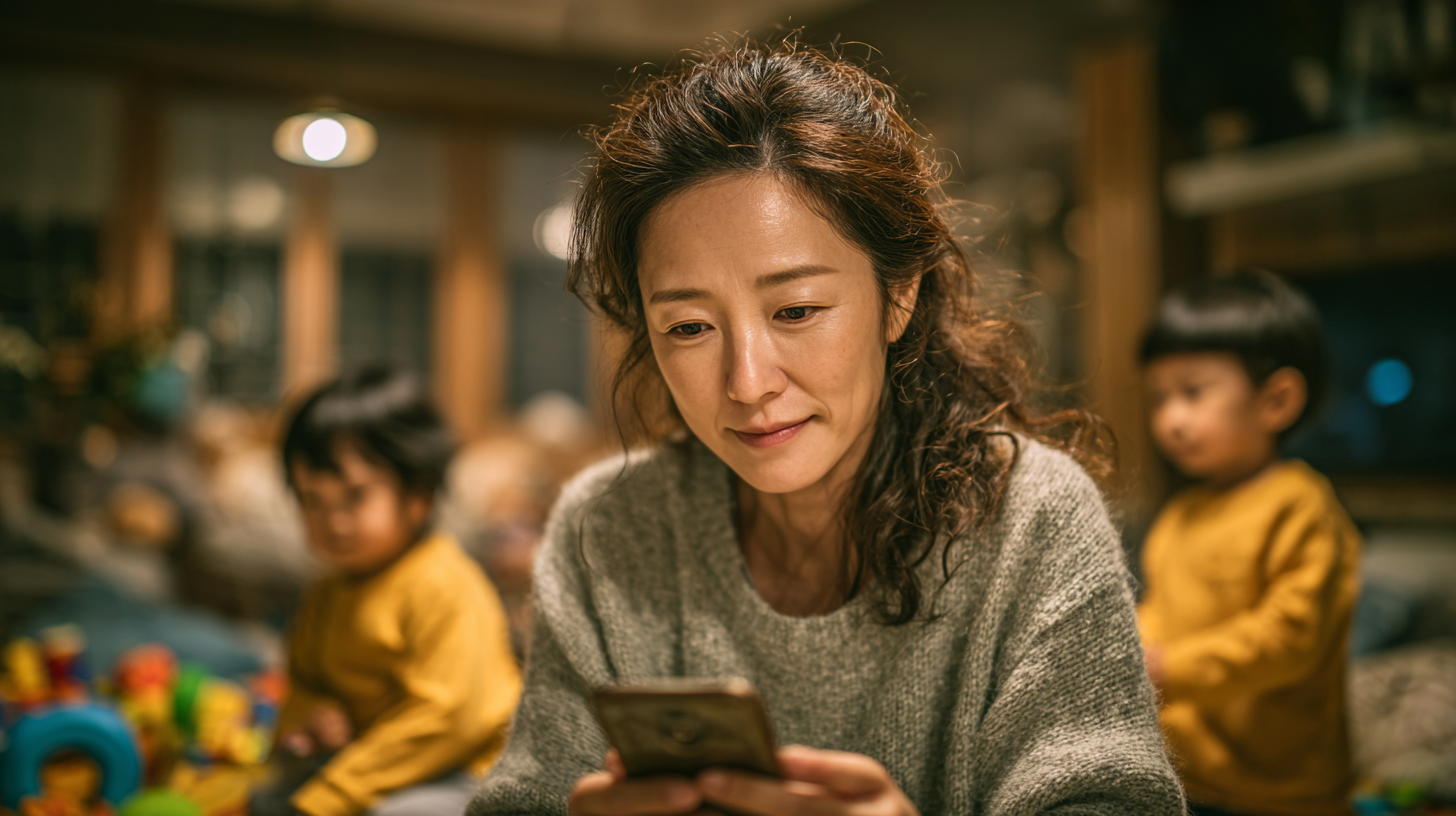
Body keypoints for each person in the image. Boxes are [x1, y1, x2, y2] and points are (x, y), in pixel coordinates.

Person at [468, 40, 1182, 816]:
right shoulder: (609, 527)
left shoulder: (1030, 519)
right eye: (688, 328)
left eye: (797, 311)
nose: (748, 383)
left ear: (899, 294)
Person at [1136, 271, 1361, 816]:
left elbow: (1290, 638)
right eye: (1159, 397)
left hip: (1282, 790)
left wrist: (1167, 669)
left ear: (1276, 400)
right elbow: (1158, 613)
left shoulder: (1300, 505)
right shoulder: (1182, 512)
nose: (1171, 419)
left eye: (1192, 392)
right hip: (1186, 773)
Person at [259, 367, 522, 816]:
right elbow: (304, 677)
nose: (333, 521)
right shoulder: (327, 593)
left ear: (417, 494)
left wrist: (339, 793)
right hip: (374, 763)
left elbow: (449, 718)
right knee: (269, 796)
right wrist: (313, 715)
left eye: (354, 497)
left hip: (470, 769)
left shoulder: (442, 582)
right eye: (312, 500)